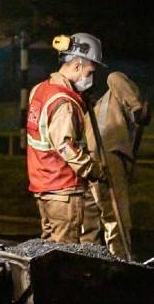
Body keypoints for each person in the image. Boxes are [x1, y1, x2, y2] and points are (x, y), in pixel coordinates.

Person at [26, 32, 105, 243]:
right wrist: (93, 169)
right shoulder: (65, 103)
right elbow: (65, 146)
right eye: (90, 70)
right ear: (77, 65)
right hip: (64, 190)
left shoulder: (40, 90)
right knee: (64, 256)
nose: (92, 76)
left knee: (48, 252)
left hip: (43, 185)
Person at [81, 71, 150, 257]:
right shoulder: (102, 103)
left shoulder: (117, 96)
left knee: (103, 208)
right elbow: (114, 77)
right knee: (102, 208)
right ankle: (103, 255)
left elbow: (114, 78)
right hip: (94, 155)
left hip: (104, 152)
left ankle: (109, 254)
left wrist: (136, 107)